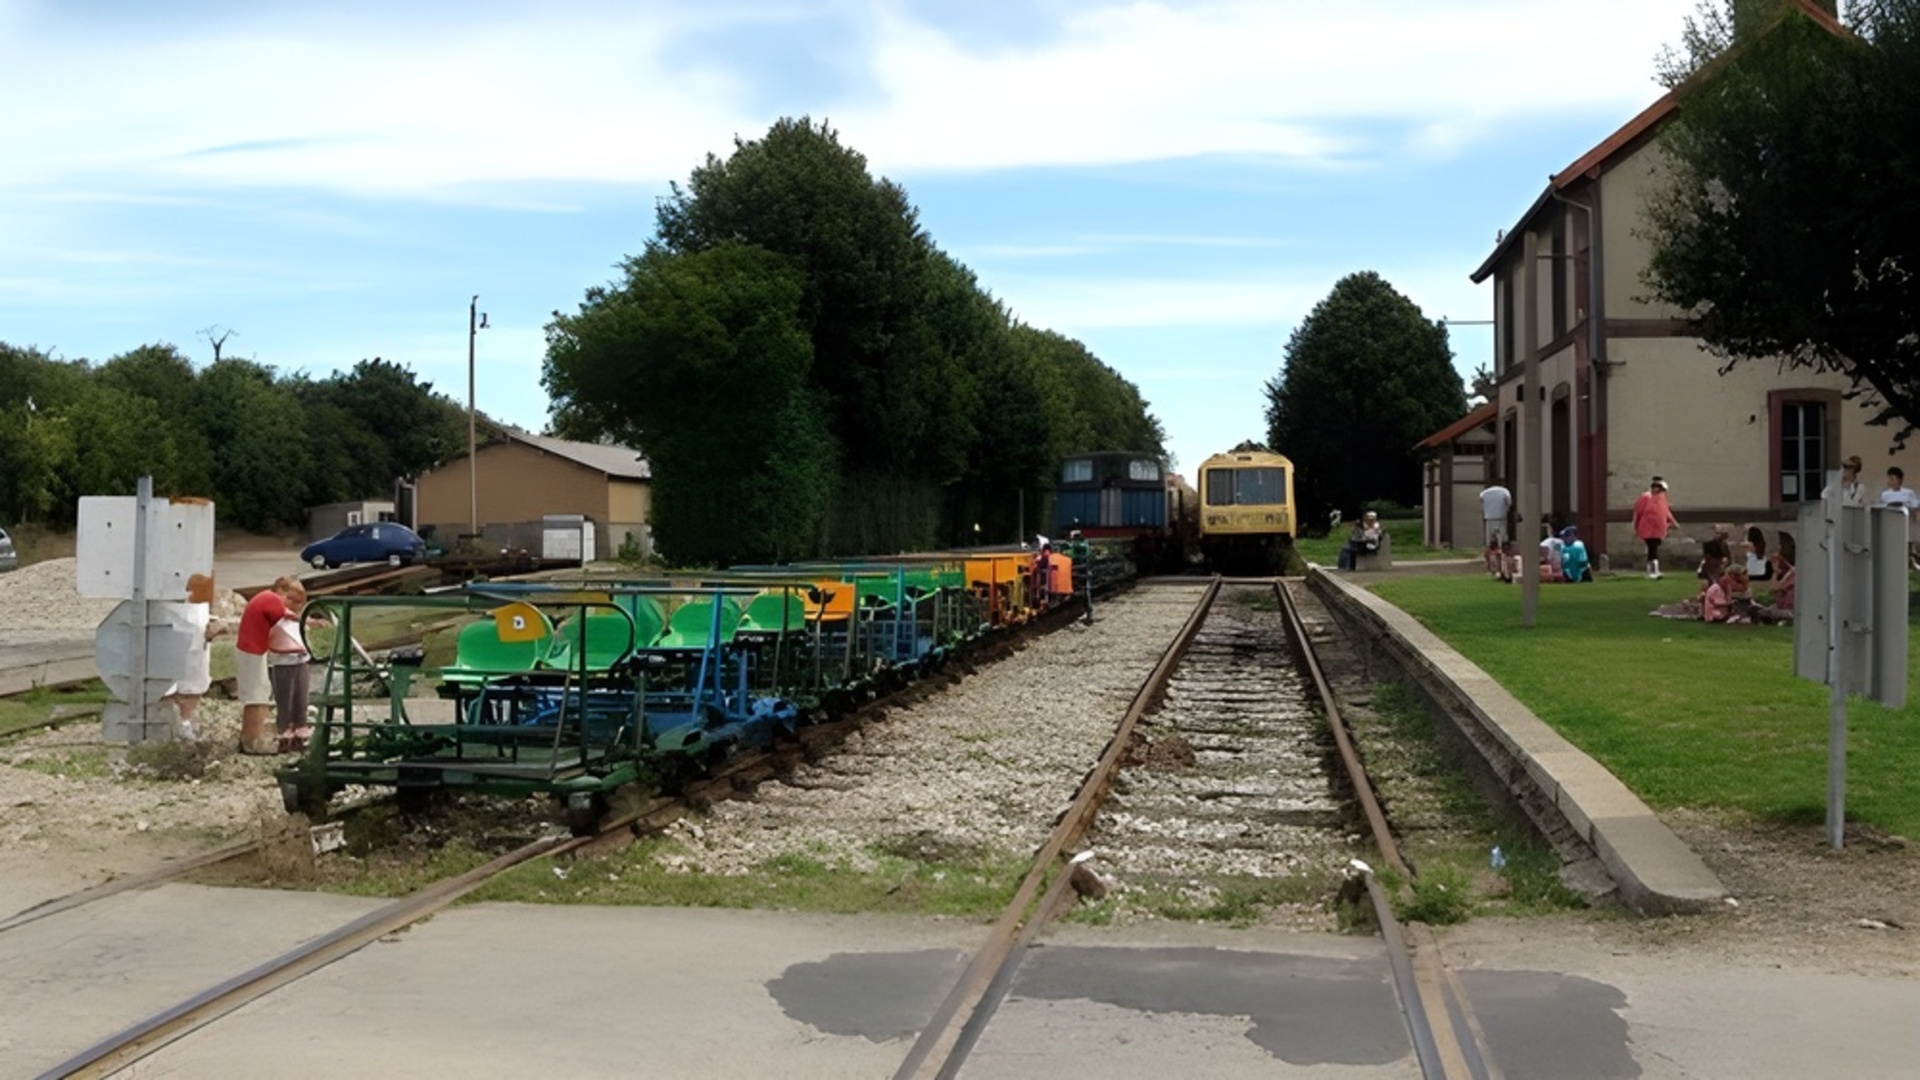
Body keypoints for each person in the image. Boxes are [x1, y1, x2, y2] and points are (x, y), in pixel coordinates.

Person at [236, 576, 306, 755]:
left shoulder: (263, 597)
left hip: (254, 649)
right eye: (291, 599)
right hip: (253, 651)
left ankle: (251, 739)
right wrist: (307, 620)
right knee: (257, 697)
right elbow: (286, 616)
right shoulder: (271, 599)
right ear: (282, 591)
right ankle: (252, 742)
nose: (291, 604)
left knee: (259, 694)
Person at [159, 572, 228, 739]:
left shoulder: (201, 574)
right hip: (167, 622)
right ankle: (165, 723)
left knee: (194, 679)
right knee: (165, 678)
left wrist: (214, 621)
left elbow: (208, 598)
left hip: (196, 623)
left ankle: (185, 722)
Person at [268, 609, 312, 752]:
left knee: (301, 697)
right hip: (283, 663)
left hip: (301, 661)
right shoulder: (276, 620)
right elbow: (274, 640)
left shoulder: (297, 620)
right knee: (285, 698)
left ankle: (300, 725)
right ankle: (285, 729)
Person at [1632, 476, 1678, 579]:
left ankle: (1654, 570)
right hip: (1648, 528)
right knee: (1652, 548)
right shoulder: (1645, 498)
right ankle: (1652, 571)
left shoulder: (1662, 498)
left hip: (1659, 528)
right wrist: (1637, 525)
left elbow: (1666, 512)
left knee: (1654, 547)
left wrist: (1673, 522)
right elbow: (1638, 512)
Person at [1878, 467, 1920, 571]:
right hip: (1891, 521)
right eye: (1889, 478)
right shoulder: (1885, 494)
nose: (1890, 481)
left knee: (1908, 539)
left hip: (1906, 520)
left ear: (1899, 480)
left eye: (1893, 478)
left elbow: (1915, 505)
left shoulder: (1908, 493)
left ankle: (1910, 561)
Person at [1480, 481, 1513, 582]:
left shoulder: (1484, 493)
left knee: (1490, 546)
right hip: (1501, 519)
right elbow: (1509, 504)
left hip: (1488, 519)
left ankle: (1493, 569)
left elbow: (1481, 503)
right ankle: (1505, 570)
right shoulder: (1505, 491)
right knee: (1504, 546)